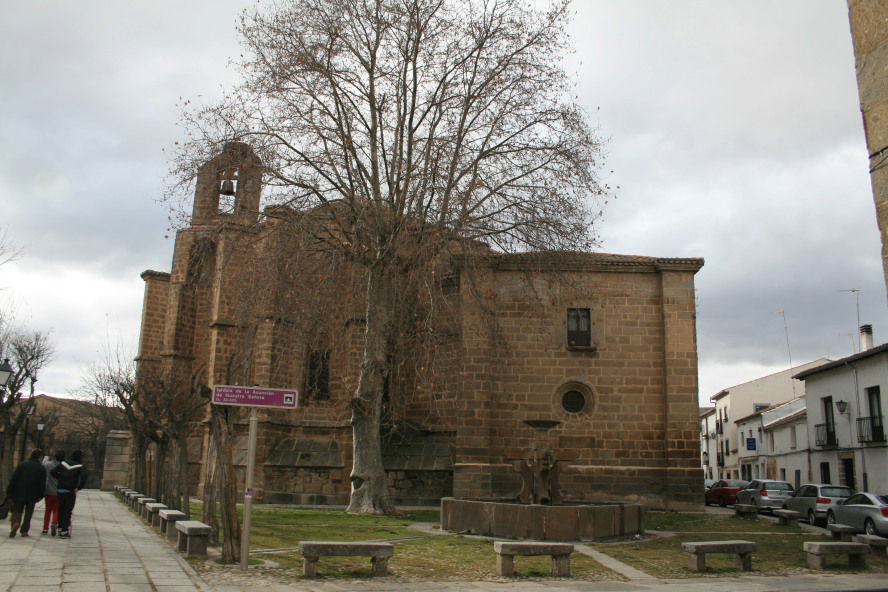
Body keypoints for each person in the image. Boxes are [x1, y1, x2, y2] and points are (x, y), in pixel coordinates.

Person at [6, 449, 47, 538]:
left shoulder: (22, 465)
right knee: (29, 512)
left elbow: (14, 478)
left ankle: (15, 523)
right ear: (40, 457)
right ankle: (24, 530)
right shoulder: (41, 468)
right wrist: (41, 495)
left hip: (19, 492)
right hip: (33, 494)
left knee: (17, 510)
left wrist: (9, 490)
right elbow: (42, 484)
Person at [52, 450, 87, 539]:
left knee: (61, 509)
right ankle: (64, 530)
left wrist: (60, 478)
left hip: (60, 489)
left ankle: (59, 527)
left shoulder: (63, 463)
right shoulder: (80, 466)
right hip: (70, 491)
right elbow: (84, 477)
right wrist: (79, 487)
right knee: (67, 511)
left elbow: (53, 472)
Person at [42, 450, 65, 535]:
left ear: (55, 457)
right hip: (58, 491)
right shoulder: (63, 467)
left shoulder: (48, 465)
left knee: (47, 510)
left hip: (48, 491)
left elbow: (43, 465)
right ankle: (54, 523)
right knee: (56, 510)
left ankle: (45, 528)